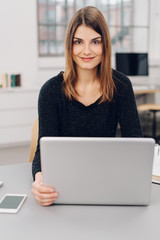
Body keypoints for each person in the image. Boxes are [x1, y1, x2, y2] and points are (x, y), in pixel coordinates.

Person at [32, 6, 142, 206]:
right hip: (63, 187)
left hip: (108, 182)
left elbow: (135, 143)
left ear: (105, 45)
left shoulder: (121, 86)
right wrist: (39, 180)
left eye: (95, 42)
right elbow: (42, 151)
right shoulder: (50, 91)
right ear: (69, 46)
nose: (86, 51)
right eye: (78, 42)